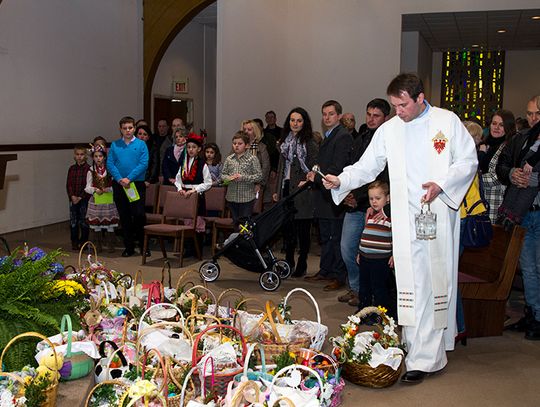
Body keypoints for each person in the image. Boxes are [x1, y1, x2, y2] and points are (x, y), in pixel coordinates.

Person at [323, 73, 477, 384]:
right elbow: (368, 165)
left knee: (431, 284)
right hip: (406, 222)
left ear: (420, 98)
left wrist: (442, 185)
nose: (399, 112)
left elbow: (468, 161)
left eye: (403, 105)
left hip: (437, 215)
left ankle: (425, 359)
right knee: (411, 285)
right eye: (394, 105)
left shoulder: (447, 122)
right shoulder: (391, 130)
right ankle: (415, 348)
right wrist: (342, 180)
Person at [338, 98, 390, 307]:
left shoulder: (388, 140)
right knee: (348, 248)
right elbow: (354, 169)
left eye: (376, 115)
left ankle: (372, 294)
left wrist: (358, 196)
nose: (371, 118)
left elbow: (380, 177)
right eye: (368, 114)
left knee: (375, 254)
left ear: (386, 118)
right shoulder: (361, 138)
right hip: (356, 204)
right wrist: (347, 193)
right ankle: (357, 287)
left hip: (377, 205)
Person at [496, 95, 540, 340]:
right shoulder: (522, 138)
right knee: (528, 269)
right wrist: (512, 174)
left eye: (538, 114)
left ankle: (537, 316)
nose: (533, 119)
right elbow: (501, 167)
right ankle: (532, 315)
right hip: (521, 213)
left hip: (538, 212)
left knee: (536, 269)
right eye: (530, 113)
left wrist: (534, 180)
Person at [305, 100, 353, 291]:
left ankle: (338, 275)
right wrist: (313, 174)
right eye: (324, 114)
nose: (327, 117)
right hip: (324, 193)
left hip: (334, 193)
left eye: (331, 114)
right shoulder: (328, 136)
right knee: (325, 236)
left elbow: (338, 167)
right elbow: (322, 164)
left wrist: (316, 177)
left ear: (339, 116)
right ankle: (325, 270)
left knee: (335, 237)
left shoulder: (343, 137)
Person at [273, 107, 319, 278]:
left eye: (299, 120)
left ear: (304, 123)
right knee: (288, 229)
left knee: (303, 230)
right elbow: (281, 168)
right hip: (286, 188)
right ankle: (289, 261)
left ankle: (302, 262)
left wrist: (307, 181)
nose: (295, 123)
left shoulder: (310, 143)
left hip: (303, 190)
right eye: (292, 120)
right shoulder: (284, 142)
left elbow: (315, 168)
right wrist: (277, 190)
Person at [107, 116, 149, 257]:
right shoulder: (115, 145)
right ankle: (128, 247)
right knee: (124, 217)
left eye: (130, 128)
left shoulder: (141, 144)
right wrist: (120, 179)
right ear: (121, 130)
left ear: (134, 128)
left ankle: (144, 246)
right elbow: (110, 164)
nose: (128, 131)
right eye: (125, 128)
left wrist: (129, 178)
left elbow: (143, 164)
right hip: (119, 185)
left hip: (135, 184)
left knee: (138, 215)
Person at [356, 181, 394, 316]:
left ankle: (380, 314)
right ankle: (363, 311)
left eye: (378, 198)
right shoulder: (370, 213)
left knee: (380, 288)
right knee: (364, 287)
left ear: (388, 198)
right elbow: (365, 233)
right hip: (365, 257)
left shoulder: (391, 215)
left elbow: (396, 236)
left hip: (381, 259)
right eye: (371, 199)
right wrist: (360, 252)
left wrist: (394, 254)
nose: (374, 202)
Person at [175, 133, 212, 251]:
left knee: (198, 222)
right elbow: (177, 179)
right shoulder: (183, 163)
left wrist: (195, 190)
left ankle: (198, 250)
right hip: (186, 196)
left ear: (199, 149)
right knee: (187, 222)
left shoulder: (202, 164)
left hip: (197, 195)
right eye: (189, 147)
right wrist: (180, 189)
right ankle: (188, 249)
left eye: (194, 147)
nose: (191, 150)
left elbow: (208, 183)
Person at [478, 110, 516, 223]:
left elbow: (496, 177)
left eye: (501, 125)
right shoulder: (484, 144)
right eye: (494, 123)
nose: (496, 127)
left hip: (495, 201)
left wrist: (473, 180)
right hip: (479, 201)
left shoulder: (507, 146)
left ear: (508, 127)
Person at [221, 131, 263, 228]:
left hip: (246, 198)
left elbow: (259, 176)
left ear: (247, 145)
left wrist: (243, 177)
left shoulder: (252, 159)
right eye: (234, 143)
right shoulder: (229, 159)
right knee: (236, 224)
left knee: (245, 225)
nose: (236, 146)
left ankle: (245, 242)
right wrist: (229, 178)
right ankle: (236, 242)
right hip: (232, 197)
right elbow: (223, 175)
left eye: (240, 144)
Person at [85, 144, 119, 253]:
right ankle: (96, 246)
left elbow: (116, 185)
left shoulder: (109, 170)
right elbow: (87, 187)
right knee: (96, 226)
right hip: (96, 202)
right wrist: (95, 190)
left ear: (104, 157)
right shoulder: (90, 171)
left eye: (100, 156)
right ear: (93, 158)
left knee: (110, 225)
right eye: (96, 156)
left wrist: (110, 189)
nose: (98, 158)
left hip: (108, 202)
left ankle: (111, 246)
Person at [66, 146, 90, 250]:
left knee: (84, 221)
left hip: (84, 199)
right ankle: (74, 241)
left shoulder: (89, 169)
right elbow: (69, 184)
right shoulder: (72, 168)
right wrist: (72, 196)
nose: (79, 157)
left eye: (82, 154)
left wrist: (80, 196)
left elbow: (88, 185)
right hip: (73, 198)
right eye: (77, 154)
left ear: (85, 156)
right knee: (73, 221)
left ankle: (83, 241)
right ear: (74, 156)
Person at [242, 119, 271, 197]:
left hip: (256, 184)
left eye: (249, 130)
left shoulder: (261, 147)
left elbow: (266, 167)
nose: (246, 132)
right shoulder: (238, 145)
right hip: (240, 184)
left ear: (255, 131)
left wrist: (259, 183)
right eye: (244, 129)